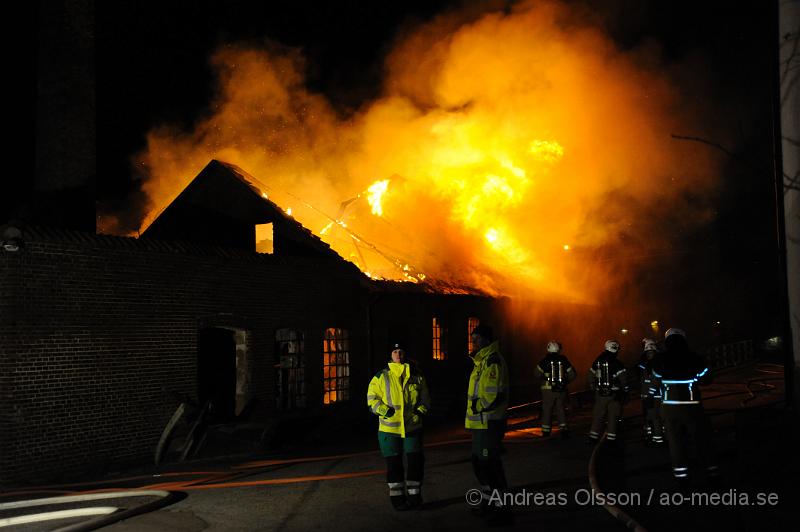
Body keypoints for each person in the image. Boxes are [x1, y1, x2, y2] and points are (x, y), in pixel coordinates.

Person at [367, 343, 431, 510]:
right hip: (389, 430)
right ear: (390, 354)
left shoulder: (417, 375)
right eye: (395, 351)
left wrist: (421, 411)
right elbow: (371, 399)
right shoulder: (381, 377)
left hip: (413, 428)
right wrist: (383, 410)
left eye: (401, 351)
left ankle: (415, 496)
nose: (398, 354)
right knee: (394, 466)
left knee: (415, 464)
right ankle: (398, 500)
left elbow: (425, 398)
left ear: (405, 353)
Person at [652, 328, 718, 488]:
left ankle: (682, 478)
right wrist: (694, 376)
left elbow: (655, 380)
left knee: (675, 442)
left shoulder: (659, 359)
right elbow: (707, 378)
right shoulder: (694, 357)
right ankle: (711, 474)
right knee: (701, 439)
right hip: (692, 406)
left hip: (669, 408)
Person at [465, 324, 512, 525]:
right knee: (479, 464)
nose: (473, 342)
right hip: (481, 425)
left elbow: (491, 395)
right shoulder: (482, 361)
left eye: (476, 338)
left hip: (489, 423)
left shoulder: (492, 362)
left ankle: (502, 510)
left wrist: (476, 406)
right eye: (472, 338)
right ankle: (489, 503)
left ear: (486, 340)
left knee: (489, 466)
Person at [587, 339, 628, 444]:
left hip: (600, 394)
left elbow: (591, 374)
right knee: (613, 416)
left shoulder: (598, 360)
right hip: (614, 395)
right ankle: (611, 439)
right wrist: (625, 392)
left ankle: (593, 437)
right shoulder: (618, 363)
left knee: (598, 415)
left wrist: (592, 386)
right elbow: (624, 380)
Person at [536, 341, 576, 438]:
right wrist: (565, 382)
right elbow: (572, 374)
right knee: (561, 408)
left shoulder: (544, 360)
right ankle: (563, 429)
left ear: (548, 349)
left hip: (547, 390)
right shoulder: (563, 360)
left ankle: (546, 431)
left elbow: (536, 374)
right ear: (558, 349)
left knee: (547, 409)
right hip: (561, 389)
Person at [638, 338, 664, 445]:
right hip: (648, 396)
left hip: (654, 396)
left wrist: (649, 394)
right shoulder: (646, 364)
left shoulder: (655, 364)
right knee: (650, 418)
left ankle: (658, 439)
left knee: (656, 418)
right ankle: (652, 436)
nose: (649, 354)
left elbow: (655, 381)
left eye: (651, 352)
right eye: (647, 353)